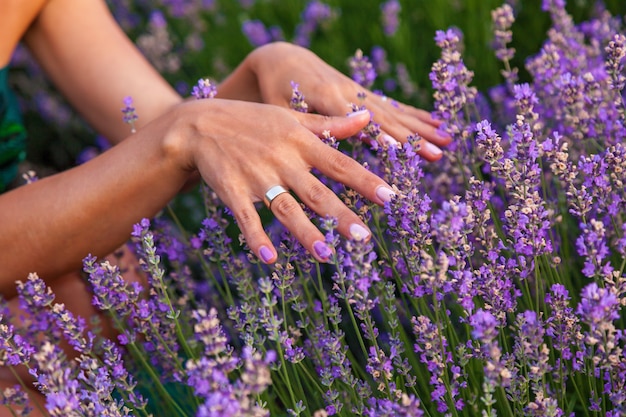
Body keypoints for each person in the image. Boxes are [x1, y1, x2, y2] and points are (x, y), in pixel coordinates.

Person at [0, 0, 451, 413]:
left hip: (104, 337)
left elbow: (155, 130)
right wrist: (188, 129)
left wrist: (262, 73)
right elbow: (173, 139)